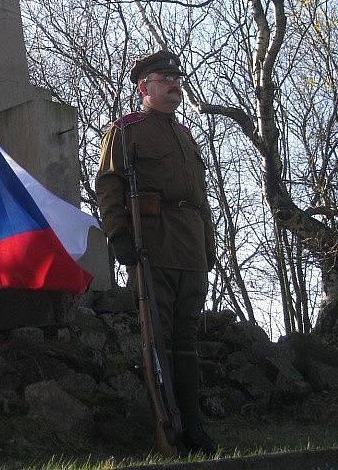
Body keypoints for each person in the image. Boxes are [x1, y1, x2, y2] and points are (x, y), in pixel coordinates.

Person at [95, 51, 218, 455]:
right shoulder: (126, 131)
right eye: (164, 78)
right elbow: (109, 187)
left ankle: (195, 425)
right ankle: (169, 426)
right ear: (144, 87)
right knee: (158, 337)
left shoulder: (185, 136)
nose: (174, 84)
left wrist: (210, 245)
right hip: (154, 244)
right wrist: (118, 236)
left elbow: (201, 200)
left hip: (191, 248)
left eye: (177, 78)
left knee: (185, 339)